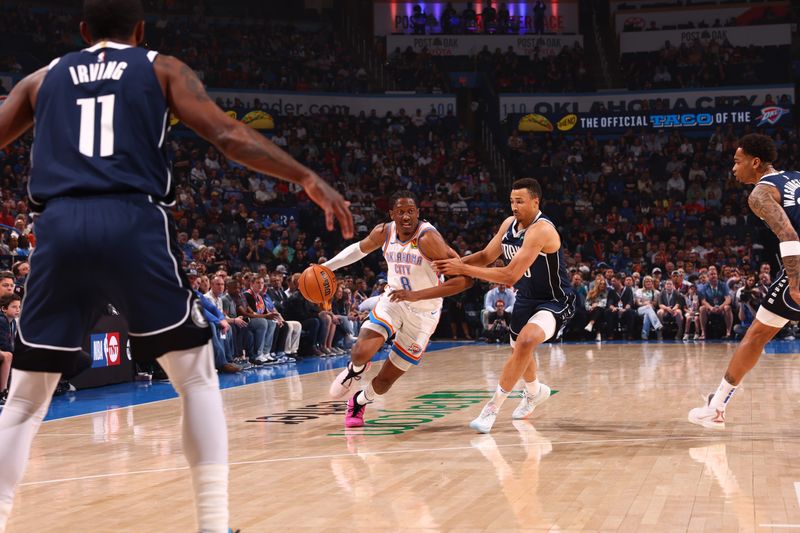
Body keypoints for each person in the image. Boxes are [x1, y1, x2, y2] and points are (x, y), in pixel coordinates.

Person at [0, 1, 353, 531]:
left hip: (59, 227)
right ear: (140, 32)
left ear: (81, 32)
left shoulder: (40, 79)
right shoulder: (161, 67)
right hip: (132, 221)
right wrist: (306, 177)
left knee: (26, 399)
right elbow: (228, 135)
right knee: (195, 378)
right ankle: (212, 523)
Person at [435, 178, 575, 433]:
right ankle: (534, 391)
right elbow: (487, 256)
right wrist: (445, 266)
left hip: (555, 299)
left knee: (525, 342)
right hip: (525, 299)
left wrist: (463, 268)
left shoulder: (541, 230)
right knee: (520, 352)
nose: (514, 206)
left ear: (536, 201)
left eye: (519, 201)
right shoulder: (509, 225)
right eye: (511, 201)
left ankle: (492, 408)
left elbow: (510, 275)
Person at [324, 191, 472, 428]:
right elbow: (358, 249)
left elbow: (464, 281)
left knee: (384, 382)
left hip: (424, 313)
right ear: (392, 214)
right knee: (360, 352)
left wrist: (416, 295)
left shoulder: (428, 239)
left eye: (411, 211)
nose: (406, 216)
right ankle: (355, 370)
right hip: (394, 300)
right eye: (401, 211)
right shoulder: (385, 232)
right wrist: (326, 268)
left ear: (418, 213)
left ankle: (359, 401)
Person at [689, 134, 798, 429]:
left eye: (737, 162)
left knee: (756, 336)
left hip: (798, 269)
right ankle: (716, 405)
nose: (733, 168)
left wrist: (795, 281)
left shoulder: (760, 195)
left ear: (755, 162)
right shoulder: (796, 178)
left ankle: (717, 408)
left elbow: (789, 235)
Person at [0, 294, 19, 406]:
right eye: (14, 307)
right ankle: (3, 392)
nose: (18, 310)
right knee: (8, 355)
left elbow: (11, 343)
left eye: (19, 307)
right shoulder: (2, 320)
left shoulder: (13, 322)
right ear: (4, 308)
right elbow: (4, 345)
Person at [583, 275, 607, 341]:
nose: (602, 285)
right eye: (601, 284)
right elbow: (587, 303)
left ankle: (591, 323)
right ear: (597, 284)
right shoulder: (591, 292)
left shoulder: (606, 292)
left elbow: (604, 303)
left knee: (598, 309)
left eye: (604, 284)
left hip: (602, 310)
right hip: (591, 310)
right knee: (597, 312)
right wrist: (590, 307)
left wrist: (596, 305)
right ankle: (598, 334)